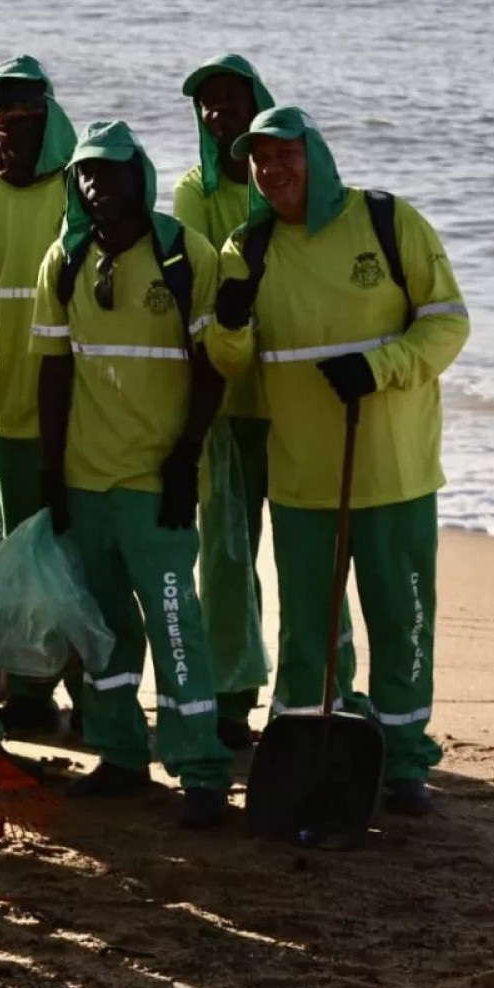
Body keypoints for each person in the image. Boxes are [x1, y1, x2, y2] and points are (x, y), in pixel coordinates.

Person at [207, 106, 469, 818]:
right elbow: (229, 363)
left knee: (401, 623)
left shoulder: (387, 220)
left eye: (284, 154)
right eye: (260, 159)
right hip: (302, 479)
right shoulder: (247, 247)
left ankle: (405, 760)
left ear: (314, 155)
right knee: (307, 636)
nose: (272, 169)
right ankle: (305, 752)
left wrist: (380, 366)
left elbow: (448, 322)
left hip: (394, 472)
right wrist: (229, 319)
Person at [31, 120, 232, 829]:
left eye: (111, 171)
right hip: (87, 480)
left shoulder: (184, 255)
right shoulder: (64, 257)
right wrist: (52, 473)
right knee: (104, 630)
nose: (97, 185)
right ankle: (119, 755)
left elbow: (213, 367)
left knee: (176, 623)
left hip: (157, 480)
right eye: (86, 173)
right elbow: (54, 371)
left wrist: (185, 460)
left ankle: (201, 767)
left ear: (139, 177)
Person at [0, 55, 80, 734]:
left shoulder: (79, 186)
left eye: (25, 105)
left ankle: (93, 693)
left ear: (48, 111)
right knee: (18, 558)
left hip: (77, 412)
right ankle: (32, 690)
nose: (11, 118)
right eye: (1, 107)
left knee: (76, 555)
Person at [172, 54, 278, 751]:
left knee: (309, 556)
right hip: (225, 398)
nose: (217, 113)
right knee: (228, 554)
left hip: (298, 402)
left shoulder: (289, 180)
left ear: (256, 103)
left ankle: (324, 694)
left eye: (230, 100)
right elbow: (206, 281)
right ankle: (232, 695)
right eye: (206, 104)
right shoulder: (194, 191)